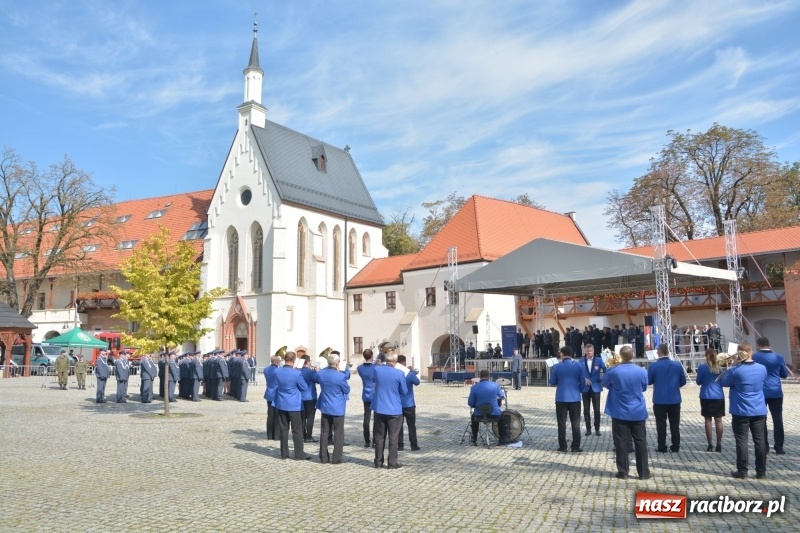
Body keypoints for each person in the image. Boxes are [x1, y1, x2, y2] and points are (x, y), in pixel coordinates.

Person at [721, 342, 768, 479]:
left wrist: (732, 365)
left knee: (742, 440)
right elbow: (763, 381)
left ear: (738, 354)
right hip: (759, 409)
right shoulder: (762, 368)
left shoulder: (736, 370)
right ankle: (761, 471)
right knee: (760, 440)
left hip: (741, 410)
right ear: (751, 352)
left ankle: (742, 470)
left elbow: (724, 382)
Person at [603, 345, 650, 480]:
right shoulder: (642, 371)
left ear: (620, 356)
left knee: (621, 442)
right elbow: (644, 387)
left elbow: (605, 384)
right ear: (633, 356)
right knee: (640, 441)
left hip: (619, 411)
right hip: (637, 411)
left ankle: (623, 471)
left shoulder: (613, 371)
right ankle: (643, 473)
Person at [648, 343, 686, 452]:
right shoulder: (677, 364)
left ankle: (662, 446)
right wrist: (674, 386)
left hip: (660, 399)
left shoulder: (653, 366)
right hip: (674, 398)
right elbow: (683, 381)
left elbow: (649, 381)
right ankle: (676, 446)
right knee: (675, 423)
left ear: (658, 352)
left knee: (660, 423)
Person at [752, 337, 787, 455]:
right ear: (769, 344)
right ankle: (779, 447)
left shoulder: (755, 357)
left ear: (758, 345)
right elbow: (784, 374)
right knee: (778, 419)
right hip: (775, 391)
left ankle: (764, 446)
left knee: (761, 420)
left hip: (760, 391)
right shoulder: (778, 357)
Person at [372, 352, 407, 469]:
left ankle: (378, 461)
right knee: (393, 437)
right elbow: (404, 391)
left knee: (379, 436)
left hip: (379, 407)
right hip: (394, 410)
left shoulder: (377, 370)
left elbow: (373, 381)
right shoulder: (400, 373)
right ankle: (392, 463)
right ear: (395, 362)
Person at [314, 353, 350, 464]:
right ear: (337, 363)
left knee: (324, 433)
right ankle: (336, 458)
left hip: (325, 405)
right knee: (338, 433)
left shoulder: (321, 374)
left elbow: (316, 378)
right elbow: (347, 390)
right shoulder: (340, 376)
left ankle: (323, 458)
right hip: (337, 407)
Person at [273, 351, 310, 460]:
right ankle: (299, 454)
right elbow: (304, 387)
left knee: (283, 429)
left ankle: (284, 454)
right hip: (294, 405)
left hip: (281, 403)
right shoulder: (297, 373)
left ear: (284, 359)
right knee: (297, 430)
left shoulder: (277, 371)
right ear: (294, 360)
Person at [549, 346, 586, 453]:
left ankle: (563, 446)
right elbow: (583, 382)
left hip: (561, 398)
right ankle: (575, 446)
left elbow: (552, 381)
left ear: (562, 354)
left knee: (561, 423)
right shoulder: (579, 365)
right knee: (576, 423)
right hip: (575, 398)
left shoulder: (557, 366)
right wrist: (578, 390)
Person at [696, 348, 725, 452]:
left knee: (708, 420)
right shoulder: (720, 368)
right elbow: (723, 382)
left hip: (706, 395)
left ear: (706, 356)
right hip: (718, 396)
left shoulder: (703, 367)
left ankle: (710, 444)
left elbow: (698, 382)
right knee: (719, 420)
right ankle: (719, 443)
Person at [468, 369, 507, 445]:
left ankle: (474, 438)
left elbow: (470, 403)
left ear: (479, 377)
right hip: (494, 413)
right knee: (502, 417)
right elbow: (502, 396)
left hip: (479, 414)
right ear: (488, 376)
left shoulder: (474, 387)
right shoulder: (495, 385)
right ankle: (502, 439)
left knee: (473, 417)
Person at [580, 342, 606, 436]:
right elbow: (578, 374)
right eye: (587, 351)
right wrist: (583, 379)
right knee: (586, 409)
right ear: (585, 351)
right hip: (585, 388)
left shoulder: (599, 360)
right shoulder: (581, 361)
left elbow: (606, 370)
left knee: (597, 409)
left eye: (590, 351)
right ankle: (588, 429)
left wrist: (602, 380)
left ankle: (597, 428)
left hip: (596, 387)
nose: (589, 353)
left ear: (593, 351)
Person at [396, 355, 421, 451]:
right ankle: (413, 445)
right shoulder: (409, 374)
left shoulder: (396, 373)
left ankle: (400, 445)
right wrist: (411, 371)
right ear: (404, 363)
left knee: (399, 426)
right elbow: (417, 382)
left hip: (398, 403)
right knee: (411, 425)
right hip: (409, 403)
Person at [357, 348, 377, 448]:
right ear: (372, 356)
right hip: (375, 394)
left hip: (366, 393)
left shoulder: (360, 368)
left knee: (367, 418)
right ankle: (375, 440)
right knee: (377, 419)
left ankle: (367, 440)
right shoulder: (376, 367)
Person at [300, 354, 318, 443]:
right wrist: (316, 371)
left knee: (302, 417)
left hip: (301, 397)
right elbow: (317, 380)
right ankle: (309, 436)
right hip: (311, 397)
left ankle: (302, 434)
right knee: (310, 418)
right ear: (308, 362)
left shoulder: (298, 371)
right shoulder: (311, 372)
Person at [263, 354, 280, 440]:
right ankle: (276, 435)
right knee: (277, 416)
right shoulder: (278, 370)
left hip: (269, 393)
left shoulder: (266, 369)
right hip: (277, 394)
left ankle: (269, 435)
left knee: (270, 415)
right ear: (277, 362)